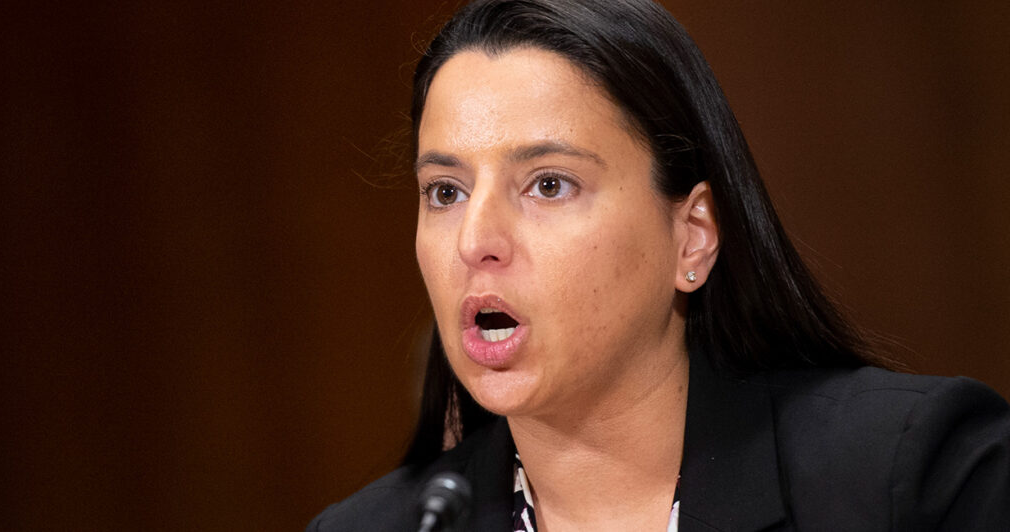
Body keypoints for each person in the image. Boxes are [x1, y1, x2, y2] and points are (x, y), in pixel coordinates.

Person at [307, 0, 1010, 530]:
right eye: (446, 192)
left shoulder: (913, 477)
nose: (474, 240)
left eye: (549, 184)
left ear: (692, 239)